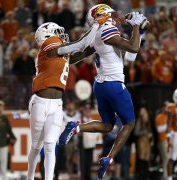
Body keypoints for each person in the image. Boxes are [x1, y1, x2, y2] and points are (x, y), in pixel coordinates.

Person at [59, 4, 148, 179]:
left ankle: (77, 128)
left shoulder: (99, 34)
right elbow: (134, 48)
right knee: (129, 124)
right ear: (103, 16)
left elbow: (129, 57)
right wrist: (136, 25)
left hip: (100, 85)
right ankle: (108, 158)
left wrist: (139, 30)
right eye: (111, 15)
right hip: (113, 84)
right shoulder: (107, 31)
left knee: (108, 125)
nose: (115, 18)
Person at [26, 14, 108, 180]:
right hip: (40, 102)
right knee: (37, 145)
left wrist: (97, 42)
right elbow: (81, 44)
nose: (61, 35)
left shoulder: (59, 53)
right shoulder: (48, 48)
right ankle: (29, 177)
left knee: (50, 145)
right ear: (47, 36)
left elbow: (81, 52)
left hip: (56, 104)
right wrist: (94, 26)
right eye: (56, 32)